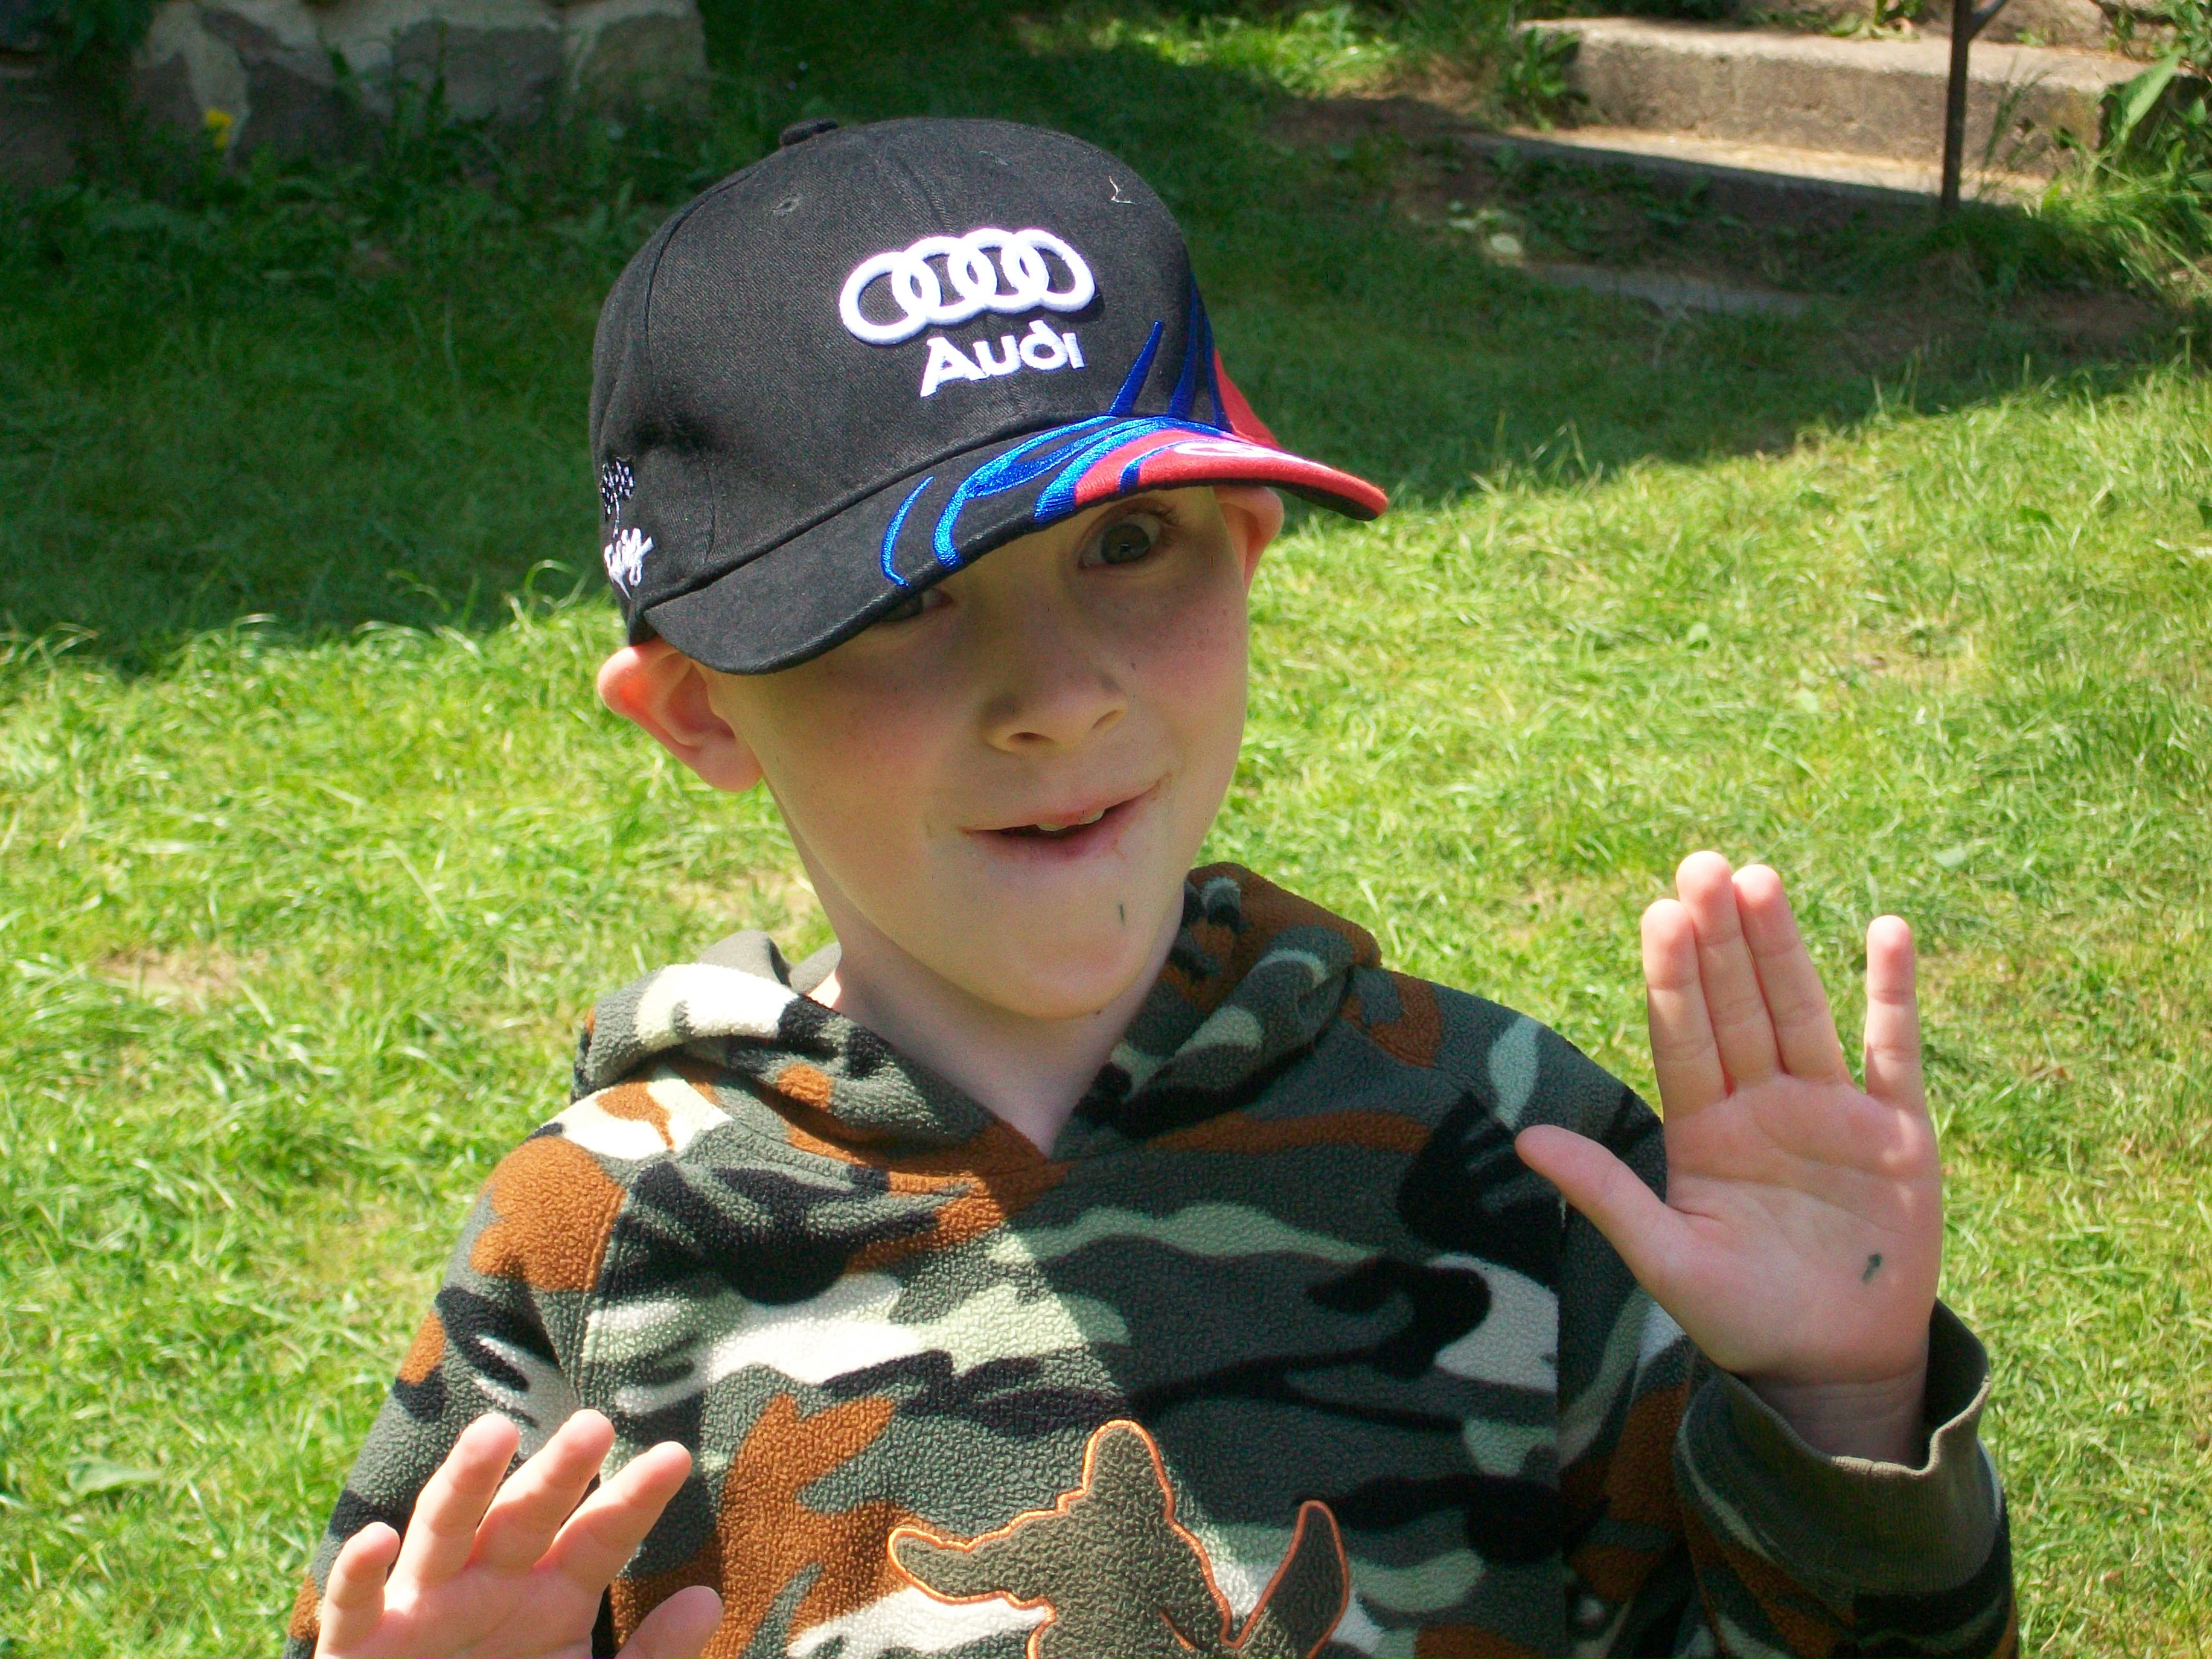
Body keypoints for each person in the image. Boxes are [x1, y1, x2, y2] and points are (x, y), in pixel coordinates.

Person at [284, 117, 2015, 1659]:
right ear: (700, 708)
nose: (1059, 695)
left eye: (1127, 543)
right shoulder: (601, 1237)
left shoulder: (1515, 1157)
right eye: (906, 601)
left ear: (1247, 547)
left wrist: (1840, 1415)